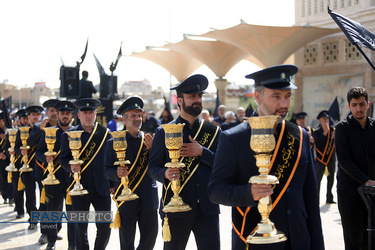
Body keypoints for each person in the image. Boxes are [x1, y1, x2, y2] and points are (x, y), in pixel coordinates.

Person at [208, 65, 324, 250]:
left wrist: (318, 245)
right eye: (276, 97)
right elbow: (215, 191)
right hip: (253, 241)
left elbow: (310, 198)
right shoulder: (233, 138)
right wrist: (249, 193)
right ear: (257, 97)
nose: (284, 104)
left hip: (298, 240)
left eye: (287, 96)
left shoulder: (299, 136)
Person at [148, 74, 221, 250]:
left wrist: (202, 152)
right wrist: (165, 173)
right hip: (176, 209)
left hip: (207, 208)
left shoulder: (212, 130)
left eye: (199, 96)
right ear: (179, 100)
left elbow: (222, 165)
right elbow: (152, 168)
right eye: (192, 97)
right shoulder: (164, 131)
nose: (197, 100)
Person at [104, 96, 159, 250]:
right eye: (133, 116)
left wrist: (153, 151)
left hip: (149, 197)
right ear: (124, 119)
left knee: (150, 238)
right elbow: (106, 170)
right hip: (126, 199)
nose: (137, 119)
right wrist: (116, 173)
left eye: (139, 115)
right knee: (127, 242)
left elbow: (159, 166)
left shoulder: (149, 140)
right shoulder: (113, 142)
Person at [59, 98, 111, 250]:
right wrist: (70, 167)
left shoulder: (105, 134)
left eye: (91, 112)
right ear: (79, 115)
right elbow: (63, 158)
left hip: (102, 187)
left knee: (105, 225)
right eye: (85, 112)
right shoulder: (68, 135)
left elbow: (111, 160)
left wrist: (114, 184)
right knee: (80, 227)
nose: (89, 115)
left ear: (96, 114)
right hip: (79, 187)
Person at [335, 86, 375, 250]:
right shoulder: (342, 128)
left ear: (368, 104)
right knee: (353, 238)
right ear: (349, 106)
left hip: (372, 192)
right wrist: (366, 181)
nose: (359, 109)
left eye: (361, 104)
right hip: (350, 192)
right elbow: (344, 161)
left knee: (371, 237)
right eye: (354, 105)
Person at [36, 100, 76, 250]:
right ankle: (51, 241)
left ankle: (72, 244)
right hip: (54, 177)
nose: (65, 116)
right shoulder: (49, 131)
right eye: (62, 113)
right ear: (57, 115)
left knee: (72, 213)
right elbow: (39, 152)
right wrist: (45, 157)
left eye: (67, 113)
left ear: (72, 115)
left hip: (73, 179)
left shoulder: (76, 132)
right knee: (52, 210)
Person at [27, 99, 60, 245]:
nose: (53, 113)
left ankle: (55, 229)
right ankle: (44, 232)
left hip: (60, 171)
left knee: (58, 205)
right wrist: (39, 130)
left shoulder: (63, 127)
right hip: (43, 171)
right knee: (45, 204)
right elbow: (29, 144)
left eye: (55, 110)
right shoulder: (39, 127)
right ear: (46, 113)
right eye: (51, 111)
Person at [313, 110, 336, 204]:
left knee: (331, 180)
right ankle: (316, 199)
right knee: (318, 180)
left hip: (330, 159)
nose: (326, 121)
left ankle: (329, 198)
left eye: (327, 119)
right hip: (320, 160)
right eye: (324, 119)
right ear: (320, 121)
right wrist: (324, 134)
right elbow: (317, 143)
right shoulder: (317, 132)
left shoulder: (333, 131)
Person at [0, 111, 13, 205]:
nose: (4, 122)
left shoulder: (10, 129)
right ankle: (5, 196)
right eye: (2, 120)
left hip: (10, 157)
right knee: (2, 178)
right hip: (1, 158)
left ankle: (11, 196)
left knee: (12, 178)